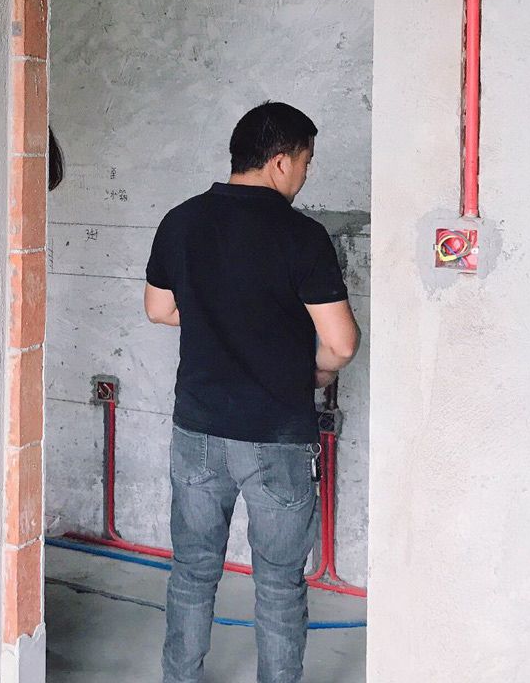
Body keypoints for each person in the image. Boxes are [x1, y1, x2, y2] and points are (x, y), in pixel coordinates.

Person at [144, 102, 360, 683]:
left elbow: (159, 309)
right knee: (280, 584)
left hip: (197, 431)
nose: (305, 174)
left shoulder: (181, 221)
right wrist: (313, 373)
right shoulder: (302, 236)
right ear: (281, 161)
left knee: (192, 572)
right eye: (306, 161)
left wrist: (219, 319)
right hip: (277, 437)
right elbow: (340, 344)